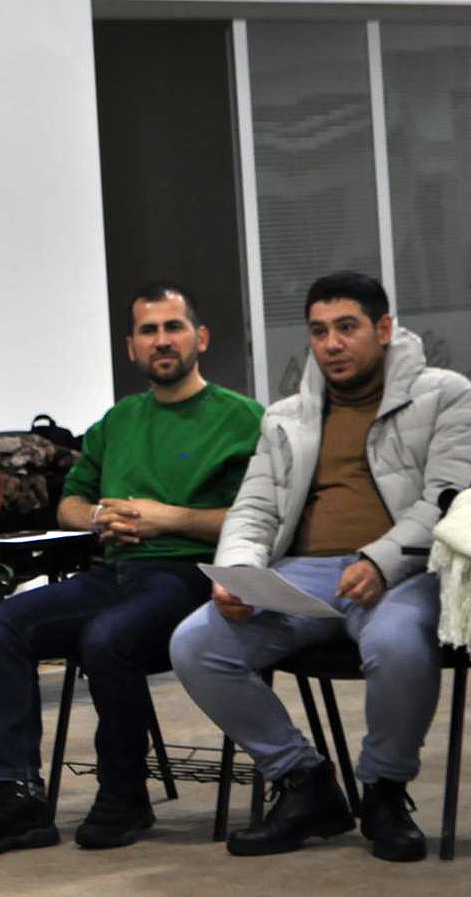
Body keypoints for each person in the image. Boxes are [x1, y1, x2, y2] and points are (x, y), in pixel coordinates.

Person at [0, 283, 262, 854]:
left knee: (107, 638)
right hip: (117, 575)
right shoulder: (119, 420)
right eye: (148, 331)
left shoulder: (242, 418)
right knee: (6, 623)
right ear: (131, 347)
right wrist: (95, 517)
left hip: (194, 577)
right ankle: (19, 799)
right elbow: (68, 502)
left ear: (201, 337)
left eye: (173, 327)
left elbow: (260, 519)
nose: (161, 341)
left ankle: (124, 793)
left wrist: (169, 518)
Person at [171, 271, 471, 861]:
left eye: (346, 327)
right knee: (196, 643)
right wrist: (238, 573)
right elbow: (254, 509)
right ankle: (304, 782)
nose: (331, 343)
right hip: (303, 574)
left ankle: (384, 790)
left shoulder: (446, 394)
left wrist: (380, 560)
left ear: (383, 329)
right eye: (319, 331)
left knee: (397, 644)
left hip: (405, 572)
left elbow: (447, 500)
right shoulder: (286, 415)